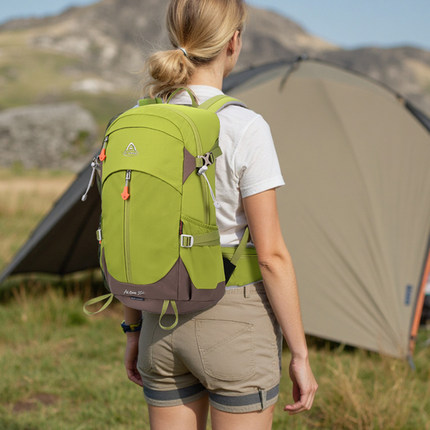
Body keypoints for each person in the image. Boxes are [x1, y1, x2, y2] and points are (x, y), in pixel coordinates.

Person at [122, 0, 318, 429]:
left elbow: (133, 237)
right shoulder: (245, 127)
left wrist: (133, 330)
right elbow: (271, 257)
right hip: (234, 322)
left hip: (158, 318)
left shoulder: (142, 120)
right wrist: (300, 354)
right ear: (233, 41)